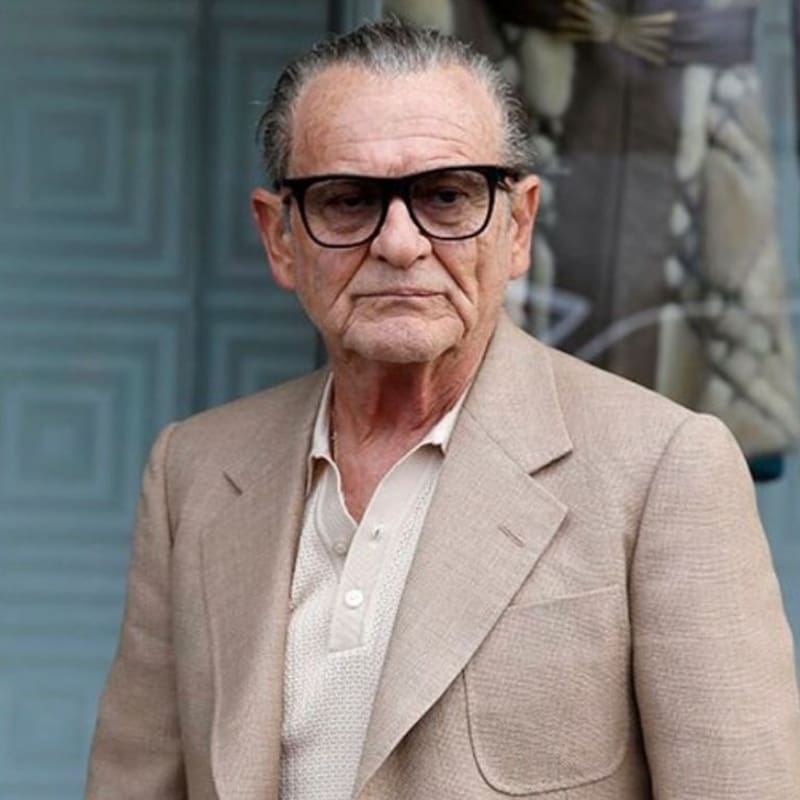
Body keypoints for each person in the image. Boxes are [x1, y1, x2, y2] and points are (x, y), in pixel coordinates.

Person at [85, 18, 800, 800]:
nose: (400, 244)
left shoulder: (662, 469)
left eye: (447, 196)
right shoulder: (194, 470)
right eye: (348, 200)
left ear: (517, 225)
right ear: (280, 238)